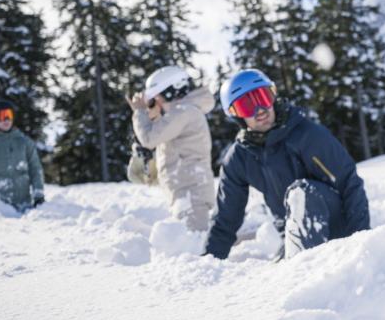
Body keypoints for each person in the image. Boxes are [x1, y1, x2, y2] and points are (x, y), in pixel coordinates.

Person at [204, 69, 370, 261]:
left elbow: (349, 182)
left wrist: (361, 243)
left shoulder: (306, 135)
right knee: (274, 277)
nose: (260, 110)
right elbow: (226, 217)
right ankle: (296, 266)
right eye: (246, 105)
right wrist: (208, 264)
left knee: (302, 193)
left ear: (273, 96)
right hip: (294, 237)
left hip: (338, 229)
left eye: (262, 97)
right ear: (235, 115)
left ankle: (303, 269)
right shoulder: (239, 158)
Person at [128, 65, 216, 232]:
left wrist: (139, 113)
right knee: (195, 243)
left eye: (155, 98)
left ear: (170, 92)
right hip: (186, 192)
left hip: (191, 195)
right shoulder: (179, 115)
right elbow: (170, 155)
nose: (153, 104)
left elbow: (149, 138)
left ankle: (263, 240)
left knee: (197, 246)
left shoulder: (184, 113)